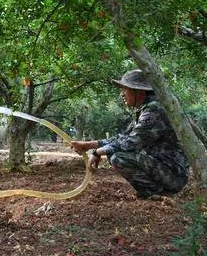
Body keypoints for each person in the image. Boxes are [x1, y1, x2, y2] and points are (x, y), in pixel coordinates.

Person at [70, 69, 189, 199]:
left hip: (173, 175)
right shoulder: (146, 108)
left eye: (125, 89)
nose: (122, 94)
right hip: (166, 170)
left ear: (138, 91)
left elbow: (131, 142)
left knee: (118, 157)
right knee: (114, 153)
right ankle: (154, 192)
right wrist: (88, 145)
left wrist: (97, 152)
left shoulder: (154, 110)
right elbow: (123, 137)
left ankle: (158, 193)